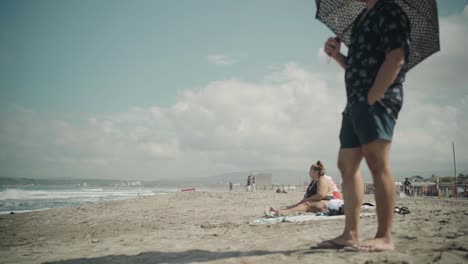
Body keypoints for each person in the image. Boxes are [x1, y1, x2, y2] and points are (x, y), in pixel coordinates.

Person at [319, 0, 411, 252]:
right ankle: (350, 234)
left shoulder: (390, 12)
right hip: (354, 103)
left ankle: (384, 236)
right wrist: (337, 55)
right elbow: (356, 67)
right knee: (346, 164)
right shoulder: (361, 18)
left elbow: (396, 57)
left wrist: (373, 96)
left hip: (378, 100)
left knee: (376, 161)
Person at [267, 161, 340, 216]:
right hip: (322, 202)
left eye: (310, 170)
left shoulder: (322, 179)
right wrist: (305, 198)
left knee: (307, 203)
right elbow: (309, 195)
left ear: (316, 172)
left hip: (329, 204)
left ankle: (282, 212)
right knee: (302, 202)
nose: (309, 172)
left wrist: (307, 199)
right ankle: (283, 210)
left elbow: (320, 195)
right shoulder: (314, 181)